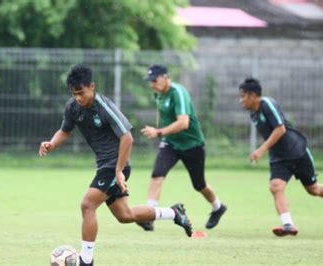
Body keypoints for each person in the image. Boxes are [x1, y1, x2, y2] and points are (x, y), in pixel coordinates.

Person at [39, 64, 193, 266]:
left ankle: (86, 260)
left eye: (81, 93)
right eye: (74, 93)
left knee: (87, 205)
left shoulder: (104, 107)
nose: (78, 97)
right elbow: (65, 131)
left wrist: (119, 170)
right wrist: (52, 143)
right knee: (125, 215)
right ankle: (174, 213)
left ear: (92, 86)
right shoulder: (72, 106)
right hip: (106, 166)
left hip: (115, 165)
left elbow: (127, 138)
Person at [238, 78, 323, 236]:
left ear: (252, 95)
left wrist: (261, 149)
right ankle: (288, 224)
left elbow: (281, 129)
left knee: (313, 189)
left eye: (243, 96)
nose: (241, 100)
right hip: (279, 157)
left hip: (297, 151)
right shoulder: (253, 114)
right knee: (275, 187)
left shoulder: (267, 104)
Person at [137, 64, 227, 232]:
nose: (152, 84)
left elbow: (183, 122)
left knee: (199, 184)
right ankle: (149, 216)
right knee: (157, 175)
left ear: (165, 77)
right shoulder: (158, 94)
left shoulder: (178, 92)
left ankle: (218, 207)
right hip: (171, 143)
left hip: (192, 145)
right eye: (150, 81)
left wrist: (158, 132)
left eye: (154, 80)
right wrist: (163, 133)